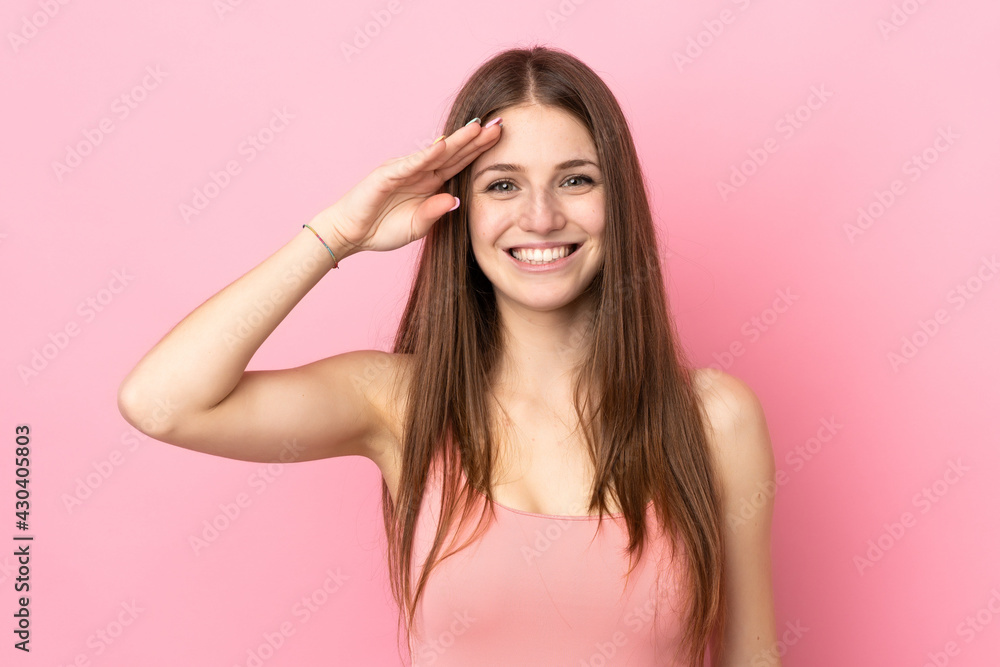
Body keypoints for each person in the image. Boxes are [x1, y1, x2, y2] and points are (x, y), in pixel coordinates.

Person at [118, 45, 780, 666]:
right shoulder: (401, 404)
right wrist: (339, 233)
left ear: (621, 200)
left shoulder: (716, 419)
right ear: (459, 210)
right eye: (502, 186)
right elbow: (161, 403)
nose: (542, 216)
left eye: (576, 179)